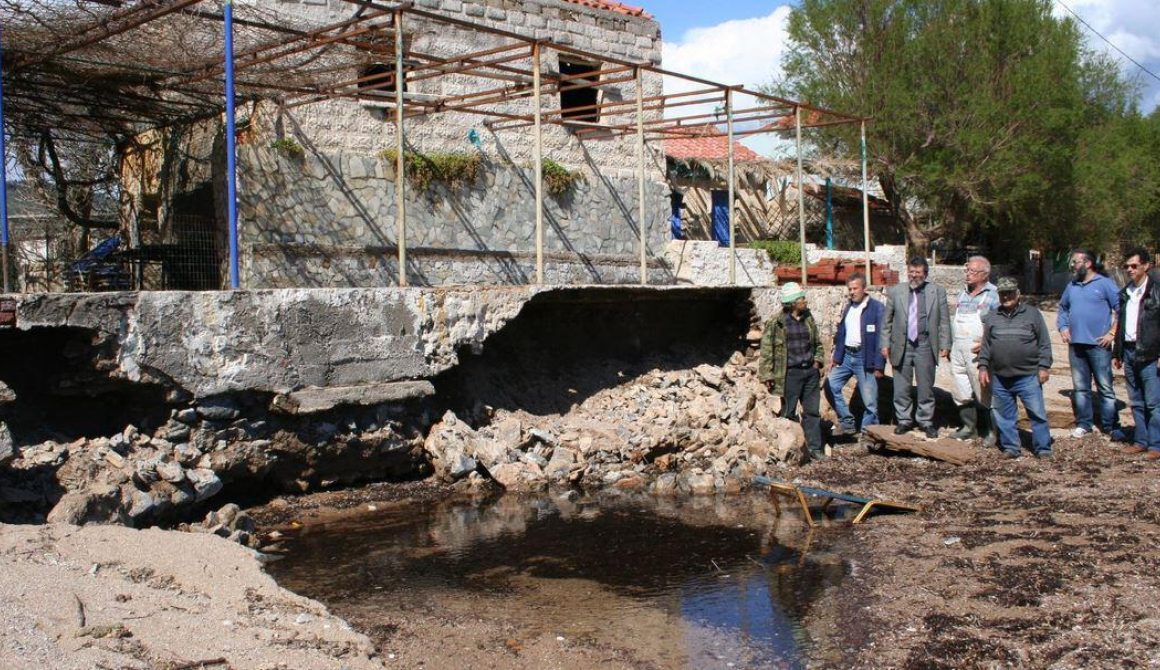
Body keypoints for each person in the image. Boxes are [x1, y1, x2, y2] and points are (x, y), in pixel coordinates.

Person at [979, 277, 1054, 459]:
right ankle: (1011, 447)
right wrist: (982, 366)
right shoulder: (993, 317)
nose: (1006, 297)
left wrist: (1043, 366)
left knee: (1037, 414)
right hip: (1000, 376)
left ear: (1018, 294)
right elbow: (986, 345)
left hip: (1028, 375)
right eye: (1003, 293)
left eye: (1010, 293)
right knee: (1004, 416)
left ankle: (1043, 448)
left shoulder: (1032, 314)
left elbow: (1044, 342)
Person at [881, 257, 951, 439]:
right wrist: (885, 343)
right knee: (901, 387)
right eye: (911, 272)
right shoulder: (896, 291)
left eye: (918, 273)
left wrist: (945, 344)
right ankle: (904, 420)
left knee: (926, 387)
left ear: (925, 274)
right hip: (901, 345)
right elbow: (886, 321)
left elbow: (944, 321)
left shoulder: (937, 292)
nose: (914, 276)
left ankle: (925, 421)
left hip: (925, 344)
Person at [1057, 248, 1121, 438]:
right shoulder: (1072, 286)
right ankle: (1084, 424)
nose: (1073, 266)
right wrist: (1063, 327)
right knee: (1080, 387)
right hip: (1076, 345)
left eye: (1076, 262)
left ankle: (1111, 426)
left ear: (1088, 263)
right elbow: (1062, 308)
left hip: (1099, 346)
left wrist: (1112, 333)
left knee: (1105, 387)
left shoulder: (1105, 284)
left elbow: (1121, 309)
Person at [759, 282, 826, 461]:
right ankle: (791, 450)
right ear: (793, 302)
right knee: (788, 412)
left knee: (812, 412)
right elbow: (767, 350)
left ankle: (815, 449)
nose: (805, 301)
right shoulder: (777, 323)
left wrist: (818, 362)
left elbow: (817, 343)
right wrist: (767, 375)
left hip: (810, 372)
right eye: (801, 298)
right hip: (790, 374)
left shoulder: (808, 318)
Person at [1112, 247, 1160, 461]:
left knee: (1153, 402)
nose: (1130, 270)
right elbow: (1121, 324)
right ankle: (1141, 441)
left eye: (1134, 266)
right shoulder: (1125, 293)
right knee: (1136, 400)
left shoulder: (1156, 291)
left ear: (1146, 266)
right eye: (1127, 266)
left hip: (1150, 352)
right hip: (1130, 351)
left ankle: (1156, 444)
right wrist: (1117, 352)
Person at [827, 272, 886, 435]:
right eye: (850, 289)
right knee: (831, 385)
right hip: (846, 356)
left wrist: (879, 364)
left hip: (864, 358)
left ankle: (869, 433)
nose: (852, 292)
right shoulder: (848, 307)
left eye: (855, 288)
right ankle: (847, 422)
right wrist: (836, 358)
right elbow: (841, 333)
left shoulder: (876, 308)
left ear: (864, 288)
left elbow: (883, 337)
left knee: (870, 401)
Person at [950, 256, 999, 444]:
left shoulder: (994, 295)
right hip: (958, 349)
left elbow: (999, 324)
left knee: (984, 390)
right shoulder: (963, 294)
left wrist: (988, 344)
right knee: (960, 390)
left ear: (985, 274)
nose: (968, 274)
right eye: (967, 270)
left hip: (978, 351)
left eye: (972, 271)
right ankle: (968, 428)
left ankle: (989, 431)